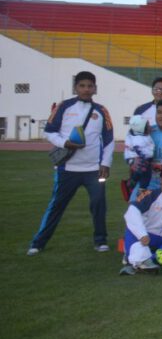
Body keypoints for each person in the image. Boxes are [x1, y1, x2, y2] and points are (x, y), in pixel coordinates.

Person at [28, 71, 114, 255]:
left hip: (93, 170)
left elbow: (109, 140)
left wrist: (105, 164)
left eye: (90, 86)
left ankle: (100, 241)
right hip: (67, 168)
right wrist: (64, 143)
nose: (86, 89)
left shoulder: (101, 110)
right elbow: (49, 131)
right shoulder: (63, 107)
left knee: (99, 205)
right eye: (82, 85)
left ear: (95, 89)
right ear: (75, 87)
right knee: (56, 205)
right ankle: (38, 243)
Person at [120, 165, 162, 275]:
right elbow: (132, 211)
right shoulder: (150, 195)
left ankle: (149, 261)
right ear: (161, 179)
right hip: (145, 236)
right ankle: (135, 261)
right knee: (131, 228)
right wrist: (142, 234)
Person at [123, 115, 155, 194]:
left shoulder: (133, 134)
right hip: (140, 158)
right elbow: (146, 151)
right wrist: (148, 157)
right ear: (141, 128)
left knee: (140, 171)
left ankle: (135, 181)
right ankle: (141, 187)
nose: (150, 127)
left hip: (131, 158)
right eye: (147, 125)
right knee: (146, 173)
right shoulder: (140, 139)